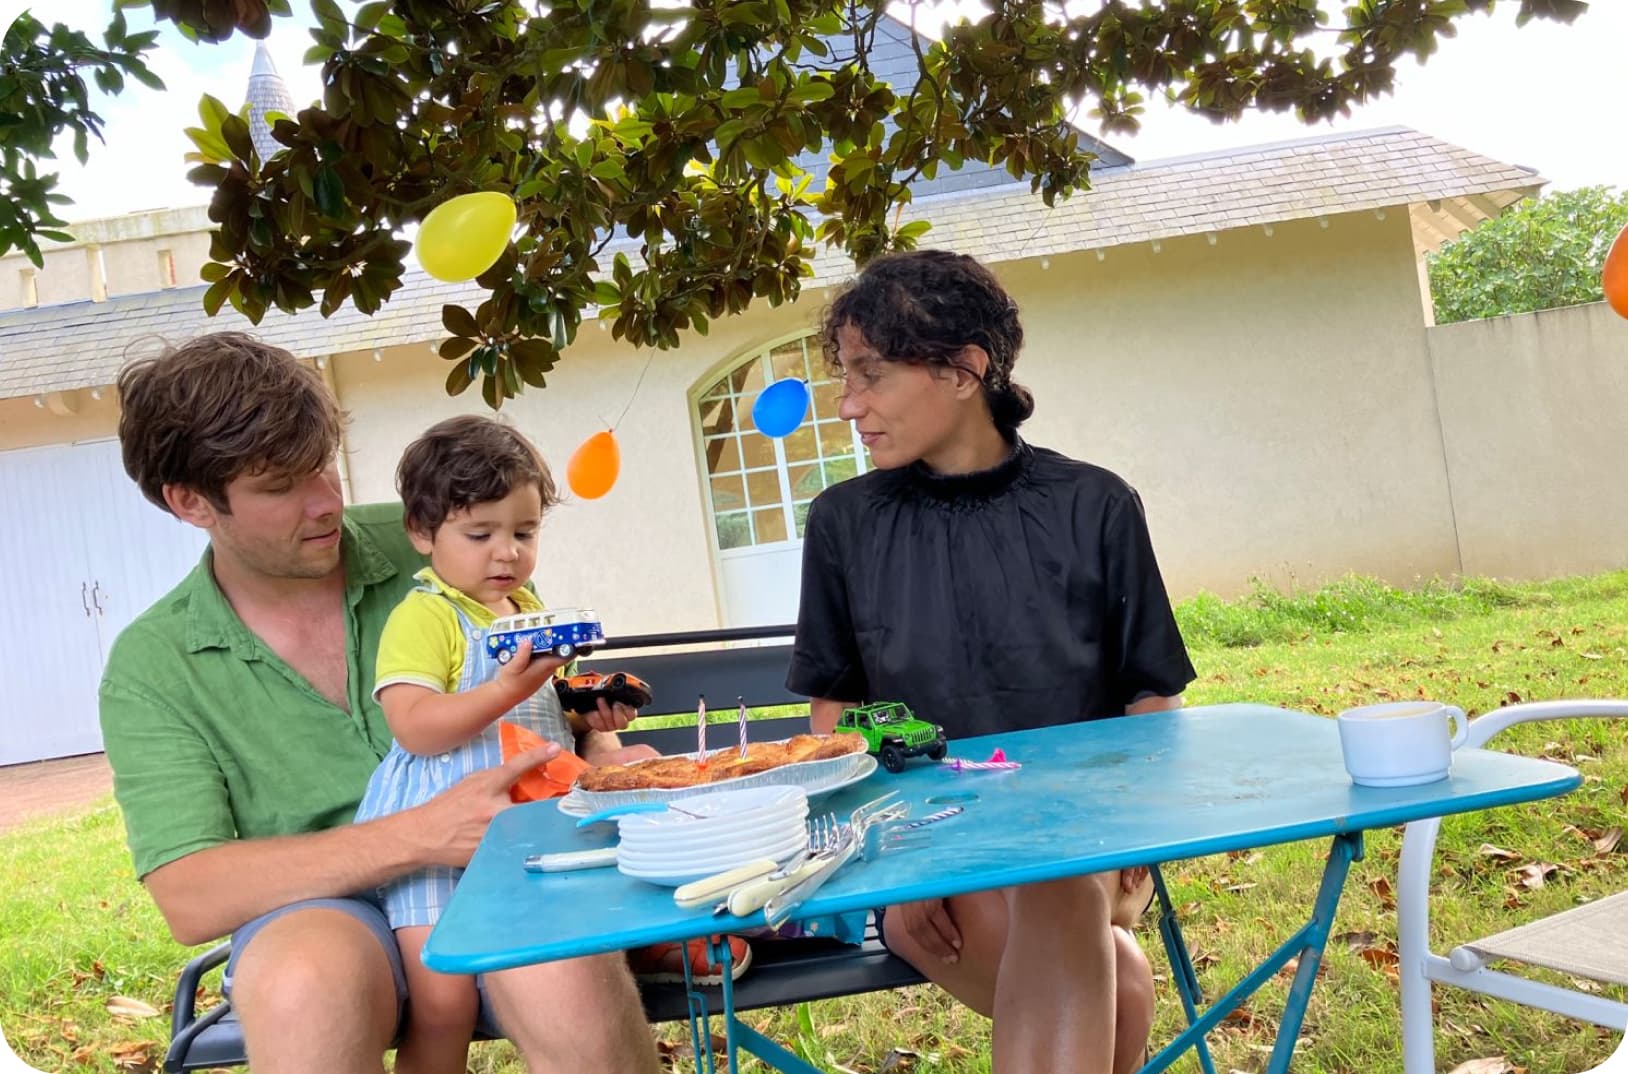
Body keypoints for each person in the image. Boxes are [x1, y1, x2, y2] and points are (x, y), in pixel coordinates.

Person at [99, 332, 661, 1074]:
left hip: (505, 868)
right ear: (190, 502)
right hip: (323, 911)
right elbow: (189, 896)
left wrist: (607, 752)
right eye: (280, 487)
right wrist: (419, 835)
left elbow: (546, 702)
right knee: (304, 983)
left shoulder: (442, 543)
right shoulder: (153, 665)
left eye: (323, 468)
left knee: (561, 969)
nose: (326, 503)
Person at [787, 250, 1197, 1074]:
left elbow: (1150, 699)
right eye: (847, 378)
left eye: (871, 376)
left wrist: (1129, 846)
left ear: (965, 369)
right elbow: (834, 721)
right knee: (1115, 972)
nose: (846, 404)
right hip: (929, 861)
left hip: (1089, 847)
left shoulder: (1096, 505)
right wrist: (900, 867)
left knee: (1079, 911)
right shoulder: (845, 522)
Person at [352, 415, 644, 1074]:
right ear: (422, 534)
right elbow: (415, 724)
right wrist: (508, 689)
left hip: (524, 830)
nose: (506, 553)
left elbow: (540, 713)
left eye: (524, 532)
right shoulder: (426, 616)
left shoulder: (526, 606)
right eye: (480, 534)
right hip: (436, 840)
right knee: (444, 1002)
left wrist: (584, 711)